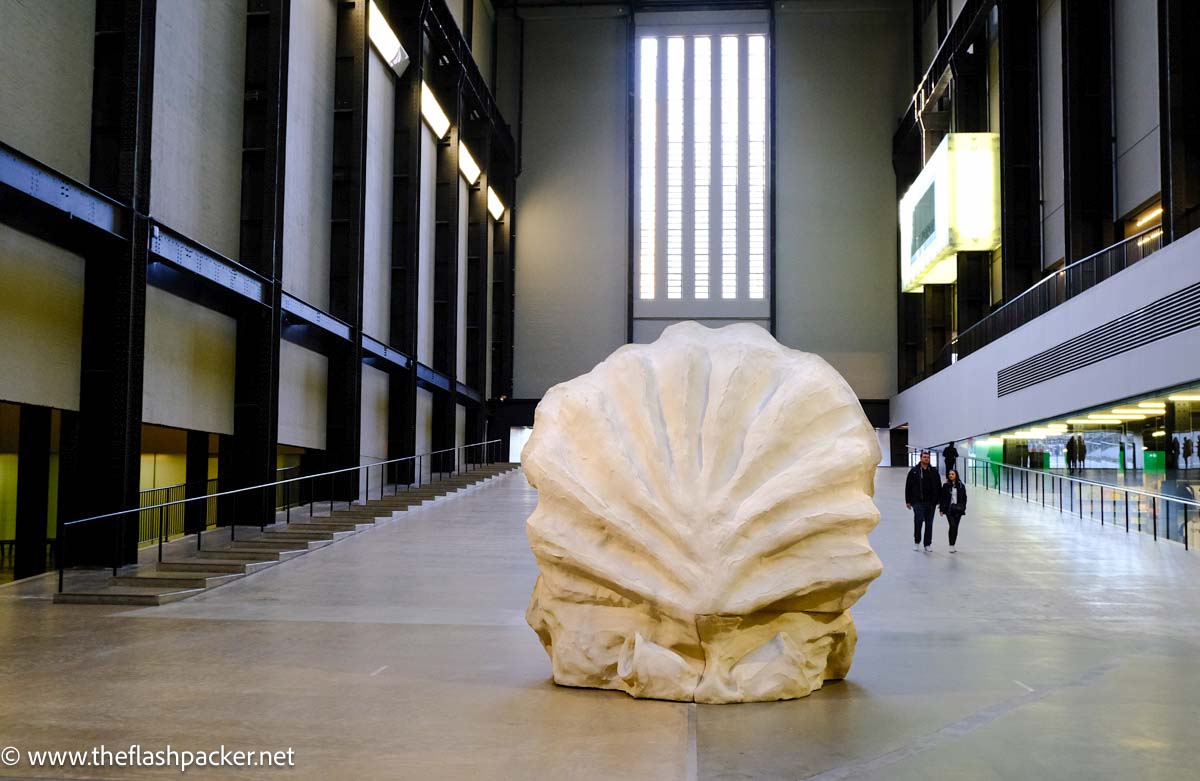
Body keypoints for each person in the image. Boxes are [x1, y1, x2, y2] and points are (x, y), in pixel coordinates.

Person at [905, 450, 942, 552]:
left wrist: (939, 500)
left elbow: (939, 486)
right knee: (918, 521)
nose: (926, 459)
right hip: (917, 502)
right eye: (924, 457)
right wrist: (908, 501)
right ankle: (917, 542)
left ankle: (927, 544)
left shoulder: (934, 471)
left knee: (929, 523)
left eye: (928, 457)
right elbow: (908, 486)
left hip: (931, 502)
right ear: (920, 458)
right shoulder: (914, 471)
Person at [939, 469, 968, 553]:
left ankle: (953, 544)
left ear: (956, 475)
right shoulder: (945, 486)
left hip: (958, 509)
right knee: (952, 526)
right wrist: (941, 509)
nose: (950, 475)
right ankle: (951, 545)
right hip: (949, 509)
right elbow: (942, 498)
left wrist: (963, 507)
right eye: (949, 474)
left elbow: (964, 498)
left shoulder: (961, 486)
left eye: (952, 474)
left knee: (956, 527)